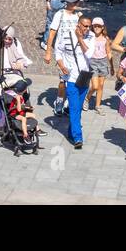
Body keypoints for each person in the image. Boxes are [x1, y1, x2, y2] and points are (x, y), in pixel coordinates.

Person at [54, 13, 92, 149]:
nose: (87, 29)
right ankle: (78, 138)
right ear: (79, 25)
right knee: (75, 108)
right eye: (85, 26)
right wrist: (61, 65)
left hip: (84, 78)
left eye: (89, 26)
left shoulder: (91, 37)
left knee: (77, 109)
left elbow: (89, 54)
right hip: (71, 79)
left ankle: (71, 131)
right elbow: (57, 51)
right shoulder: (66, 35)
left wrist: (80, 39)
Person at [87, 17, 111, 112]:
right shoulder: (90, 37)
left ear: (102, 27)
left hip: (103, 62)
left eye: (99, 26)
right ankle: (87, 98)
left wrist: (112, 66)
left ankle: (97, 105)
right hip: (93, 62)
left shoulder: (106, 38)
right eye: (95, 26)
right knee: (95, 85)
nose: (97, 28)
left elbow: (108, 52)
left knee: (101, 85)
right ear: (92, 26)